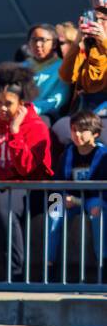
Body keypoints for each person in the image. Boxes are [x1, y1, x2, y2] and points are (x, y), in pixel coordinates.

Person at [0, 66, 53, 283]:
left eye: (8, 104)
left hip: (30, 187)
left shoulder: (37, 127)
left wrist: (15, 133)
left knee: (3, 204)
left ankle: (15, 273)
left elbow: (27, 168)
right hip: (0, 187)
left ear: (22, 104)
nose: (2, 108)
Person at [44, 111, 106, 278]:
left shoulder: (103, 155)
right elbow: (58, 181)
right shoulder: (67, 153)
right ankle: (49, 265)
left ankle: (103, 264)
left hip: (93, 198)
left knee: (97, 211)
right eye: (73, 129)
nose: (76, 134)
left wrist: (79, 200)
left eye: (82, 130)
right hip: (68, 198)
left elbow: (102, 188)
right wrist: (61, 197)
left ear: (95, 134)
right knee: (53, 207)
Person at [54, 5, 107, 147]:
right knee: (60, 127)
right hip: (86, 114)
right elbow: (66, 76)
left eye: (103, 19)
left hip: (103, 114)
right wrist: (78, 38)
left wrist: (104, 41)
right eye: (95, 19)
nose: (98, 23)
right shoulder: (87, 49)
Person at [24, 23, 70, 125]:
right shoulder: (21, 67)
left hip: (45, 116)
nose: (38, 44)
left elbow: (57, 100)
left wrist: (31, 110)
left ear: (54, 44)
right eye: (34, 40)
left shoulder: (63, 68)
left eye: (43, 40)